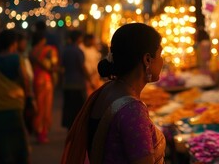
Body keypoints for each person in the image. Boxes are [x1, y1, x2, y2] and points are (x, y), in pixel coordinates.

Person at [61, 23, 165, 164]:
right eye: (160, 54)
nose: (162, 60)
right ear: (147, 59)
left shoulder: (108, 90)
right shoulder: (132, 109)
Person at [0, 29, 35, 164]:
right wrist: (30, 99)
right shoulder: (16, 59)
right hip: (13, 110)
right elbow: (25, 80)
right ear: (14, 44)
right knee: (18, 150)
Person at [29, 31, 59, 143]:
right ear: (42, 40)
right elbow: (54, 65)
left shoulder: (31, 51)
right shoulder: (50, 50)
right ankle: (42, 133)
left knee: (38, 106)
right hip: (46, 80)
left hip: (35, 79)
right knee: (45, 107)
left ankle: (37, 130)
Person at [61, 30, 91, 130]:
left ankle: (70, 130)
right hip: (78, 84)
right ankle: (76, 130)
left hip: (67, 83)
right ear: (78, 38)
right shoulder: (78, 51)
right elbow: (82, 67)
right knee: (79, 110)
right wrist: (90, 79)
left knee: (69, 108)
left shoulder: (65, 50)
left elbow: (61, 66)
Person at [17, 32, 35, 134]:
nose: (24, 45)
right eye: (23, 43)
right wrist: (30, 95)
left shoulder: (23, 57)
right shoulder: (17, 59)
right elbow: (25, 78)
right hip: (21, 95)